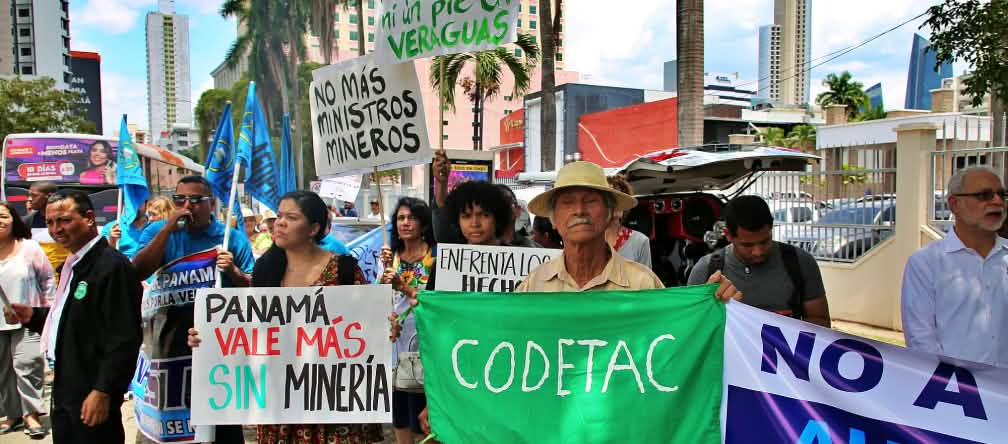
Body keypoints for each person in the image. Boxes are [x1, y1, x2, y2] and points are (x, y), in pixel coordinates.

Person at [414, 161, 742, 434]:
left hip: (619, 432)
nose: (580, 211)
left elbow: (675, 356)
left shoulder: (642, 284)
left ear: (610, 212)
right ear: (555, 220)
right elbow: (499, 355)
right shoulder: (534, 286)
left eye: (591, 201)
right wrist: (449, 395)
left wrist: (718, 310)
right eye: (568, 203)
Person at [187, 191, 383, 444]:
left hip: (333, 403)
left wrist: (384, 329)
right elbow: (250, 330)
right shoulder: (265, 271)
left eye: (291, 217)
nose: (279, 223)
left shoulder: (344, 269)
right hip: (280, 404)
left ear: (313, 228)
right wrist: (208, 338)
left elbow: (366, 327)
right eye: (279, 216)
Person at [4, 190, 142, 444]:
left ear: (89, 218)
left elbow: (125, 337)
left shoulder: (111, 266)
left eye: (65, 220)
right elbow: (70, 320)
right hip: (66, 385)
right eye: (50, 222)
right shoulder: (73, 264)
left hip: (92, 390)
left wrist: (103, 390)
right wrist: (32, 316)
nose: (57, 229)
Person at [132, 176, 254, 444]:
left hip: (215, 345)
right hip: (167, 344)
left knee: (220, 426)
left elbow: (254, 291)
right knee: (170, 421)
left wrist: (232, 270)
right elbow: (138, 270)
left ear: (211, 203)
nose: (188, 206)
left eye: (196, 200)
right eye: (180, 200)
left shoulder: (230, 238)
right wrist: (166, 231)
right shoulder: (157, 232)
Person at [902, 166, 1008, 366]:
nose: (998, 202)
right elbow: (920, 340)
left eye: (1002, 194)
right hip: (956, 391)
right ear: (955, 204)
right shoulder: (926, 263)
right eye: (984, 195)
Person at [687, 195, 830, 327]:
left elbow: (820, 322)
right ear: (728, 235)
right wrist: (712, 309)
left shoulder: (800, 262)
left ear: (772, 226)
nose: (758, 252)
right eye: (747, 245)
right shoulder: (706, 271)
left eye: (764, 242)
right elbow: (691, 330)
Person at [378, 197, 436, 444]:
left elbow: (436, 300)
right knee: (400, 415)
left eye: (411, 217)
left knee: (425, 418)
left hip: (427, 346)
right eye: (400, 218)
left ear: (423, 224)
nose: (405, 223)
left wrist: (402, 285)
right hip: (396, 347)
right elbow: (381, 299)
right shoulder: (390, 258)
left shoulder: (436, 258)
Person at [0, 202, 53, 438]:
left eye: (3, 216)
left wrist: (48, 311)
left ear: (13, 219)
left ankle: (31, 414)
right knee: (3, 371)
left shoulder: (29, 248)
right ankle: (12, 414)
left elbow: (48, 280)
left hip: (29, 318)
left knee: (27, 364)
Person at [443, 180, 513, 246]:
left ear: (498, 218)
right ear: (457, 221)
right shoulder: (445, 256)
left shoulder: (517, 256)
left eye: (484, 215)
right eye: (467, 216)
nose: (475, 224)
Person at [605, 175, 652, 267]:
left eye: (620, 198)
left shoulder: (640, 241)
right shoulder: (586, 239)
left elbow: (646, 280)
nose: (616, 203)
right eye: (610, 198)